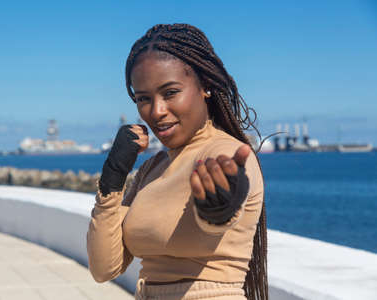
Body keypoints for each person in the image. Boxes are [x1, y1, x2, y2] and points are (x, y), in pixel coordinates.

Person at [87, 24, 267, 300]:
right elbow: (103, 268)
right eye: (143, 99)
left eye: (170, 93)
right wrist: (113, 176)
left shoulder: (226, 154)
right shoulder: (152, 168)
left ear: (205, 86)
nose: (156, 111)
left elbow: (219, 214)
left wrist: (217, 206)